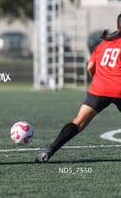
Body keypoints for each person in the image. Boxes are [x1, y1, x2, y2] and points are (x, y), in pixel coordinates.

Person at [35, 14, 121, 163]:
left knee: (78, 122)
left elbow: (90, 67)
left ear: (118, 25)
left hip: (98, 89)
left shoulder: (103, 44)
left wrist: (100, 80)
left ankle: (49, 151)